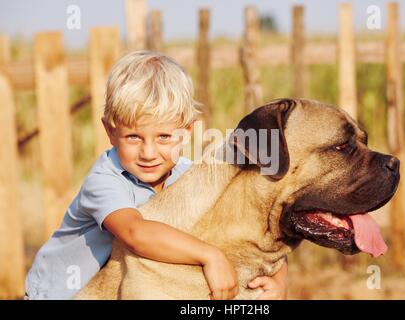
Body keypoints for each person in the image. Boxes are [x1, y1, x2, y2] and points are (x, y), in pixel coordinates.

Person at [25, 51, 288, 300]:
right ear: (110, 131)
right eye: (133, 137)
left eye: (164, 137)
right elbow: (135, 232)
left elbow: (250, 224)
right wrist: (211, 255)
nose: (148, 153)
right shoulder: (105, 180)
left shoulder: (190, 177)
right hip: (62, 292)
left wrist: (278, 280)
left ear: (187, 132)